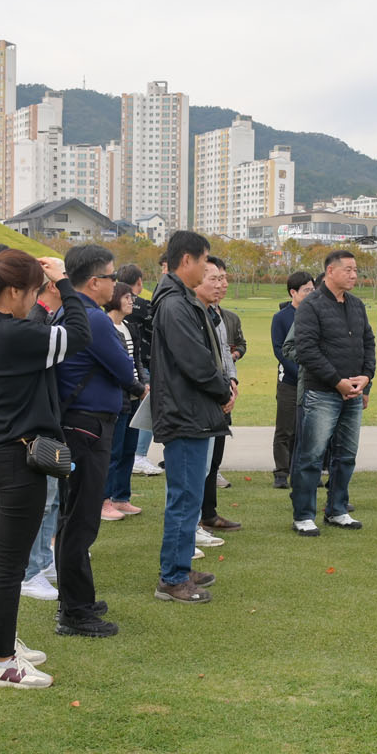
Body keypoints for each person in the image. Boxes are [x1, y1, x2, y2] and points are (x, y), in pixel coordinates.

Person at [0, 249, 90, 681]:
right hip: (21, 459)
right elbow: (80, 334)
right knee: (10, 566)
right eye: (34, 292)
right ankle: (0, 661)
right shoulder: (13, 333)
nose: (35, 299)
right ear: (15, 291)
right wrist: (65, 281)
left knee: (0, 561)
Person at [54, 244, 143, 638]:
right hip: (88, 427)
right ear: (93, 282)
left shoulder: (66, 312)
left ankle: (76, 601)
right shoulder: (94, 319)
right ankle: (75, 611)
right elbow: (125, 370)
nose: (115, 284)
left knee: (72, 516)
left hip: (75, 425)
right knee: (81, 520)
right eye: (110, 277)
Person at [149, 232, 230, 601]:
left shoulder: (181, 300)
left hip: (192, 411)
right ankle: (173, 577)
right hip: (185, 414)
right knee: (184, 498)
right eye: (203, 261)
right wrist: (223, 389)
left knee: (190, 496)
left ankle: (179, 565)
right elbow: (196, 362)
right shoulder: (174, 304)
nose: (206, 268)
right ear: (186, 260)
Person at [289, 249, 375, 536]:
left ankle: (337, 509)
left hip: (353, 394)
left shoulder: (357, 305)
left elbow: (368, 343)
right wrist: (337, 381)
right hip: (322, 393)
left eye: (355, 270)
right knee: (311, 456)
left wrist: (366, 378)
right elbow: (306, 350)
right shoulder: (311, 306)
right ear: (330, 271)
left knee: (346, 455)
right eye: (348, 269)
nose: (354, 275)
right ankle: (303, 514)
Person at [20, 275, 69, 603]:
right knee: (39, 502)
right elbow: (80, 335)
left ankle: (41, 559)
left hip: (49, 422)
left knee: (50, 500)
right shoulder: (34, 320)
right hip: (34, 427)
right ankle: (30, 570)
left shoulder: (43, 317)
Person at [196, 256, 242, 534]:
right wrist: (223, 390)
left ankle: (208, 513)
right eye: (215, 278)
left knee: (213, 460)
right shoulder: (193, 312)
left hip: (222, 392)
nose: (222, 284)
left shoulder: (217, 314)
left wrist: (232, 380)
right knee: (199, 463)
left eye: (224, 278)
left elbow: (226, 352)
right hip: (207, 397)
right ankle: (197, 520)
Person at [101, 280, 147, 522]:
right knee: (114, 451)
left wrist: (144, 383)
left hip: (135, 396)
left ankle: (121, 497)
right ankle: (104, 500)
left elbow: (137, 361)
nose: (132, 301)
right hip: (118, 398)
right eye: (127, 297)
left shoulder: (130, 327)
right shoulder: (105, 326)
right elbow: (115, 367)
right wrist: (138, 387)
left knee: (129, 449)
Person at [270, 270, 314, 489]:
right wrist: (298, 372)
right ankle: (281, 472)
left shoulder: (317, 314)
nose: (311, 293)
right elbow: (279, 349)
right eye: (306, 290)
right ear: (293, 292)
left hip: (314, 380)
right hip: (289, 380)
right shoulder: (281, 317)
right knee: (285, 428)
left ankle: (303, 471)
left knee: (306, 429)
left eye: (313, 289)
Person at [125, 261, 164, 478]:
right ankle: (139, 455)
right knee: (146, 410)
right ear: (139, 282)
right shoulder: (142, 306)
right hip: (144, 365)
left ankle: (133, 455)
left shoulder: (110, 304)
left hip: (127, 365)